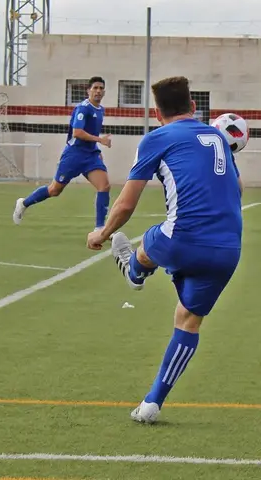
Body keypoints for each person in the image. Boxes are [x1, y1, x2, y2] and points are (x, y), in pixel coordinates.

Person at [84, 75, 244, 424]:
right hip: (229, 247)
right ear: (193, 107)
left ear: (157, 114)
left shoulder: (155, 138)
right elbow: (239, 188)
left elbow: (126, 204)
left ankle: (135, 271)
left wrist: (103, 232)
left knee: (149, 241)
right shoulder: (217, 134)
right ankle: (153, 403)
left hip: (181, 238)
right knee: (188, 321)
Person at [14, 76, 112, 231]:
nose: (98, 91)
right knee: (54, 190)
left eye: (101, 88)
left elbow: (90, 132)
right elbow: (78, 132)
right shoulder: (83, 108)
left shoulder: (100, 110)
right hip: (74, 155)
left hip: (91, 155)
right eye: (95, 88)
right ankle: (24, 203)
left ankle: (100, 228)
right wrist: (100, 140)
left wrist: (97, 149)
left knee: (104, 186)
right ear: (88, 90)